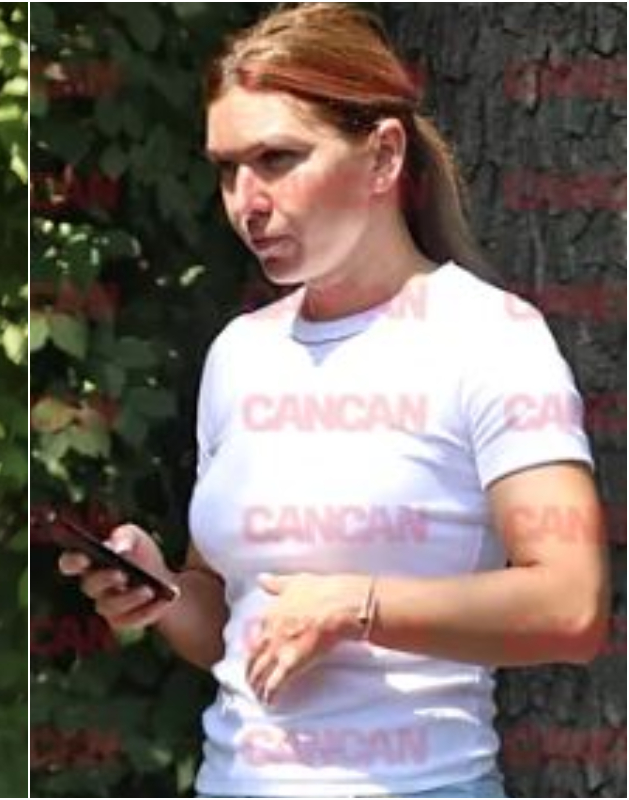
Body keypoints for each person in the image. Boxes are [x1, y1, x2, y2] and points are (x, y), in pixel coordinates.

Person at [58, 4, 609, 798]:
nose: (246, 200)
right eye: (226, 169)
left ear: (383, 156)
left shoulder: (491, 337)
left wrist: (359, 605)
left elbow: (571, 605)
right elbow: (231, 625)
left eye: (277, 159)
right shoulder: (240, 352)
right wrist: (161, 595)